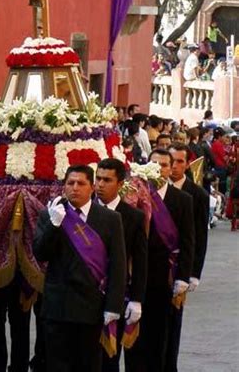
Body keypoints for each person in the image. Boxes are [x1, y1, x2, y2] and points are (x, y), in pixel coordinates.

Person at [34, 165, 126, 372]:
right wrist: (54, 225)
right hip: (58, 308)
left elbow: (118, 265)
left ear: (92, 187)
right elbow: (40, 253)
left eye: (81, 183)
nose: (75, 188)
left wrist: (113, 306)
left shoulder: (110, 219)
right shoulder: (50, 214)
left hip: (92, 308)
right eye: (70, 183)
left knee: (89, 366)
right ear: (63, 186)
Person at [132, 149, 194, 372]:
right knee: (134, 337)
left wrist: (184, 277)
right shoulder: (135, 194)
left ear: (170, 169)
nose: (158, 169)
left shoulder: (183, 200)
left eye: (163, 165)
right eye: (154, 163)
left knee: (159, 334)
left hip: (164, 276)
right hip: (137, 275)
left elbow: (188, 241)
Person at [95, 159, 147, 372]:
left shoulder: (134, 216)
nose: (99, 184)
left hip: (116, 296)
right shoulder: (80, 212)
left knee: (109, 359)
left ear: (120, 183)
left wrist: (136, 300)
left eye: (106, 180)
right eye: (97, 178)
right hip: (85, 297)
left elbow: (141, 261)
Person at [166, 144, 209, 372]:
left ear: (187, 164)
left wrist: (194, 273)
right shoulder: (152, 191)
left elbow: (200, 236)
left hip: (179, 267)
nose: (174, 166)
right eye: (171, 161)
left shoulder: (197, 194)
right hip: (155, 267)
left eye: (180, 161)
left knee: (173, 322)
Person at [210, 127, 229, 193]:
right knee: (222, 186)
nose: (225, 138)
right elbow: (224, 158)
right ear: (219, 137)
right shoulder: (218, 144)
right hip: (220, 168)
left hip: (217, 167)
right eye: (224, 136)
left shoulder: (215, 143)